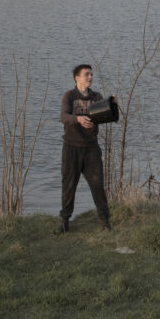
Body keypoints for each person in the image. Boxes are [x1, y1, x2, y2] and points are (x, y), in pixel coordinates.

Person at [56, 64, 113, 233]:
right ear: (77, 78)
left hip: (91, 149)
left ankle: (105, 223)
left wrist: (112, 105)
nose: (90, 77)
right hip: (71, 148)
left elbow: (107, 117)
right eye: (86, 74)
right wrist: (78, 119)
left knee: (97, 185)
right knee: (68, 185)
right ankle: (65, 223)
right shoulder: (70, 96)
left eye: (91, 74)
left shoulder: (96, 97)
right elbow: (63, 117)